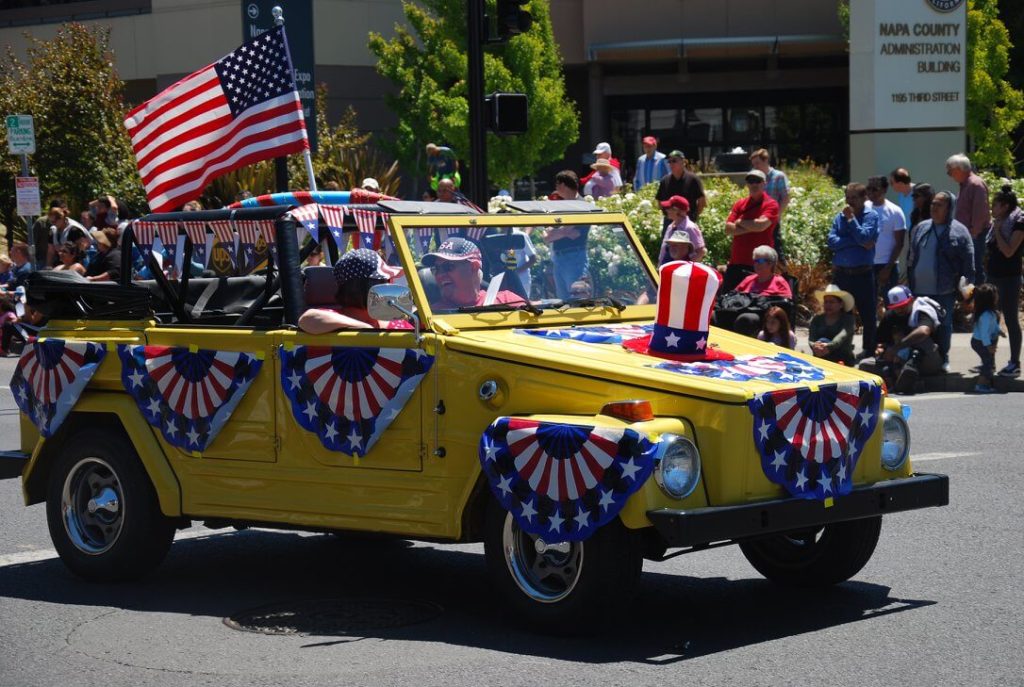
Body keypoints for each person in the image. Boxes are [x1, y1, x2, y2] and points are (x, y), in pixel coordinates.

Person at [907, 190, 974, 366]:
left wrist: (968, 289)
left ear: (949, 208)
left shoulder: (959, 231)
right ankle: (920, 358)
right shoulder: (921, 228)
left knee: (944, 325)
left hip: (944, 289)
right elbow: (912, 257)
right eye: (933, 204)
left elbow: (968, 262)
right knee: (918, 324)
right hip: (919, 289)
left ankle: (943, 357)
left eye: (939, 205)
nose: (934, 207)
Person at [861, 285, 945, 393]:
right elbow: (880, 342)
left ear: (911, 300)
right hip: (896, 361)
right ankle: (900, 379)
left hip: (927, 360)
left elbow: (924, 331)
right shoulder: (889, 317)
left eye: (903, 305)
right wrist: (881, 349)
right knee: (865, 364)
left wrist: (897, 347)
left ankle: (909, 373)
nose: (899, 309)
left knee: (922, 339)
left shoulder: (921, 311)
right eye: (896, 307)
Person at [828, 182, 879, 355]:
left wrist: (851, 220)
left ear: (864, 198)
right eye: (848, 197)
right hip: (842, 274)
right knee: (841, 313)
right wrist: (854, 242)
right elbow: (832, 242)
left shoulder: (871, 216)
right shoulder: (838, 217)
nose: (850, 202)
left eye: (854, 198)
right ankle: (841, 348)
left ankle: (869, 349)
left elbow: (865, 237)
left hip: (862, 273)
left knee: (868, 314)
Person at [298, 249, 400, 333]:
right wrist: (364, 328)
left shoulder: (397, 324)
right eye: (385, 280)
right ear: (362, 287)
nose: (390, 284)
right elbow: (306, 319)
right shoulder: (331, 318)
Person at [421, 237, 521, 311]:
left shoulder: (508, 302)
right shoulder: (431, 315)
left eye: (448, 267)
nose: (439, 275)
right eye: (436, 269)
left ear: (474, 267)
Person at [987, 184, 1024, 377]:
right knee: (991, 319)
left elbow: (1009, 251)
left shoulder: (1018, 221)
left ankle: (1014, 362)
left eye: (995, 204)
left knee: (1010, 320)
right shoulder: (998, 222)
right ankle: (989, 361)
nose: (992, 208)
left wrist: (1000, 231)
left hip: (1009, 278)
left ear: (1005, 205)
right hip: (993, 276)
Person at [722, 169, 780, 292]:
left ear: (764, 183)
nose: (754, 184)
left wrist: (739, 222)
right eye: (750, 181)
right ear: (747, 184)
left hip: (761, 263)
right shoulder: (740, 204)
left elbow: (761, 226)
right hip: (737, 261)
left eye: (757, 181)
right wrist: (754, 227)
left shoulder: (771, 204)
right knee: (727, 300)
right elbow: (728, 229)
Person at [946, 153, 991, 285]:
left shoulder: (975, 185)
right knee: (968, 269)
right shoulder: (966, 184)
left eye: (950, 171)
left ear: (959, 169)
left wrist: (972, 235)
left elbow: (980, 214)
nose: (949, 175)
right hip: (969, 236)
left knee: (975, 269)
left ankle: (979, 299)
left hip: (975, 237)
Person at [731, 245, 793, 337]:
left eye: (760, 261)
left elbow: (786, 306)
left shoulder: (779, 282)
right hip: (740, 310)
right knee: (715, 315)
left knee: (746, 319)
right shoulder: (748, 279)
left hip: (764, 317)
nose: (756, 264)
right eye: (755, 261)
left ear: (771, 264)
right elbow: (733, 296)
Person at [867, 175, 907, 294]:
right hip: (866, 264)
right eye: (868, 189)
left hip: (887, 265)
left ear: (884, 190)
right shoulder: (863, 208)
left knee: (890, 304)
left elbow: (899, 243)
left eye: (875, 189)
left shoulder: (895, 211)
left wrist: (887, 269)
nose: (871, 192)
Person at [749, 148, 790, 263]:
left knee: (776, 248)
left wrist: (777, 216)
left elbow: (785, 198)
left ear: (766, 160)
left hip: (772, 219)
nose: (755, 167)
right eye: (753, 164)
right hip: (758, 220)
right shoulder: (755, 178)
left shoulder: (778, 176)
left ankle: (783, 274)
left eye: (757, 163)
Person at [808, 284, 857, 366]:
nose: (828, 305)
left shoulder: (848, 320)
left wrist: (828, 346)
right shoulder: (817, 319)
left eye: (832, 302)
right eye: (826, 302)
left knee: (823, 340)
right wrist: (814, 346)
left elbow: (841, 337)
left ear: (841, 304)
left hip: (842, 358)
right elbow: (811, 338)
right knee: (822, 340)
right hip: (821, 355)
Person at [656, 149, 706, 225]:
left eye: (674, 161)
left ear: (683, 162)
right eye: (669, 161)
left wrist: (694, 216)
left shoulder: (693, 179)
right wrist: (667, 215)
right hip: (669, 223)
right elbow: (659, 201)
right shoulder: (664, 181)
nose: (671, 164)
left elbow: (702, 201)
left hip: (687, 222)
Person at [970, 283, 1001, 393]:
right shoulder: (986, 315)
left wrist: (999, 330)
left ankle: (987, 382)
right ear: (991, 299)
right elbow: (984, 333)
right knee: (988, 363)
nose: (998, 296)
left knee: (988, 362)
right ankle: (980, 385)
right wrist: (988, 346)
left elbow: (994, 325)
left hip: (983, 341)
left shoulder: (991, 313)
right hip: (980, 342)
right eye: (996, 294)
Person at [657, 196, 706, 264]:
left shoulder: (690, 227)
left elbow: (701, 251)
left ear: (677, 211)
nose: (666, 210)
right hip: (667, 265)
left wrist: (688, 265)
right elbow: (663, 250)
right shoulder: (670, 227)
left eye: (669, 208)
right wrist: (659, 265)